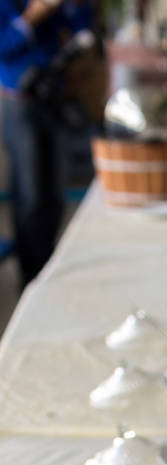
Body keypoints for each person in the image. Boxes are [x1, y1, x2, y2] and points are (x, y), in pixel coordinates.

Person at [0, 0, 94, 287]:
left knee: (54, 193)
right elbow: (4, 46)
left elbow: (82, 33)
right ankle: (30, 280)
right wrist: (33, 15)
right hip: (19, 103)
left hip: (54, 99)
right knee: (30, 197)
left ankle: (49, 272)